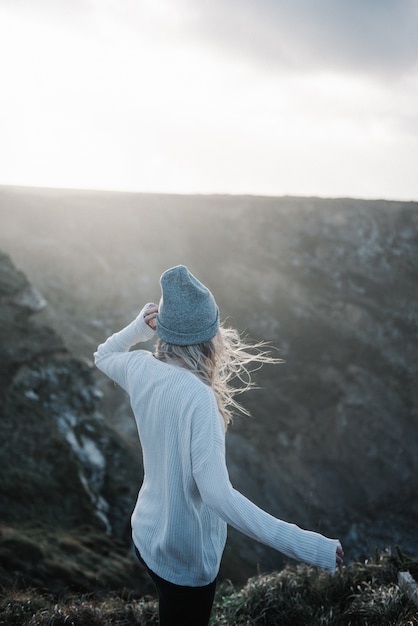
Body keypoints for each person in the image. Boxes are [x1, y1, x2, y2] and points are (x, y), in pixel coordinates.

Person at [94, 264, 343, 626]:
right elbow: (218, 497)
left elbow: (103, 355)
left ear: (164, 330)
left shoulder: (140, 367)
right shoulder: (199, 399)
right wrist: (307, 545)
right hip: (185, 558)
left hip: (147, 536)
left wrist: (137, 328)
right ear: (209, 338)